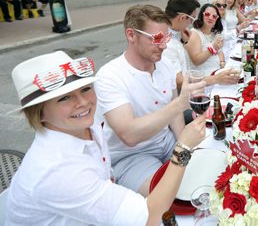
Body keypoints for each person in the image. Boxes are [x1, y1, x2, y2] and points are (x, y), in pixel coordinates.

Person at [6, 50, 206, 225]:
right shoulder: (56, 170)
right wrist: (183, 148)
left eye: (85, 89)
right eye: (64, 98)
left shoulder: (88, 123)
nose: (83, 102)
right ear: (38, 113)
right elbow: (149, 217)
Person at [94, 5, 190, 197]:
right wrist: (179, 104)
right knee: (168, 195)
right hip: (132, 156)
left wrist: (182, 144)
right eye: (156, 38)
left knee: (201, 172)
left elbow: (175, 114)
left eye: (167, 37)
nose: (163, 45)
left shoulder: (165, 63)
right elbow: (129, 135)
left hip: (167, 141)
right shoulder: (110, 76)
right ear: (131, 35)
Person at [161, 0, 240, 93]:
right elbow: (179, 81)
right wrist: (215, 79)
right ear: (182, 17)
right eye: (192, 18)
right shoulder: (167, 44)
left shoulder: (179, 33)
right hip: (184, 95)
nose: (191, 22)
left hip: (199, 80)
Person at [184, 3, 225, 76]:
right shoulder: (194, 34)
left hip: (217, 72)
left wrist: (222, 63)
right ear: (201, 15)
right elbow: (196, 61)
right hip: (202, 78)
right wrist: (213, 48)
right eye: (207, 14)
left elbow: (220, 51)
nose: (210, 17)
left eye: (214, 16)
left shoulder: (214, 33)